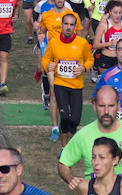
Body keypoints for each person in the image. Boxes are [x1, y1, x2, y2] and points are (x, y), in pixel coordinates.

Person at [41, 13, 94, 147]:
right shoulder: (54, 42)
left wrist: (84, 68)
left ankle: (69, 132)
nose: (68, 27)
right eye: (66, 24)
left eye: (71, 25)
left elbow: (90, 59)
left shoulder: (82, 43)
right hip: (60, 84)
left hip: (76, 85)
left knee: (75, 120)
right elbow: (45, 59)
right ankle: (64, 147)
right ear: (62, 26)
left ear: (75, 27)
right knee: (64, 117)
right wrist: (48, 66)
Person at [36, 0, 83, 141]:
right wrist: (41, 36)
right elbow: (41, 30)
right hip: (53, 60)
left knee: (69, 92)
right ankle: (55, 128)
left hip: (69, 60)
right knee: (54, 92)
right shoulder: (46, 15)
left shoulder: (72, 16)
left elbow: (79, 36)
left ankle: (69, 121)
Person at [92, 1, 122, 81]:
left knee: (120, 84)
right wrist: (110, 43)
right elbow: (95, 45)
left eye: (120, 13)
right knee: (107, 84)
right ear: (110, 12)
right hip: (106, 58)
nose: (118, 15)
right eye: (115, 12)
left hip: (120, 59)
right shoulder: (104, 25)